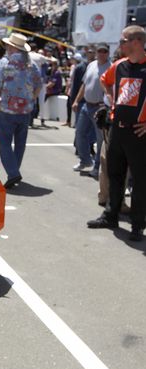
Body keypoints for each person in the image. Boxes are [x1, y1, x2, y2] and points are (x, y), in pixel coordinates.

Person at [87, 25, 146, 242]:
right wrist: (112, 99)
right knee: (114, 175)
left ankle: (138, 225)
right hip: (117, 130)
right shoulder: (119, 66)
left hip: (139, 133)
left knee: (140, 181)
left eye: (123, 41)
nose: (119, 45)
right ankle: (110, 215)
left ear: (136, 42)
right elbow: (105, 81)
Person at [0, 33, 42, 189]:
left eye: (8, 46)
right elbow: (38, 85)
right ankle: (14, 171)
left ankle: (13, 173)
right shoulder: (31, 64)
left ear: (12, 47)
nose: (6, 48)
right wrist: (31, 100)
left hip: (8, 109)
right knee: (20, 143)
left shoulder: (5, 63)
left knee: (5, 144)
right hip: (25, 110)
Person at [72, 43, 111, 175]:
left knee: (100, 140)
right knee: (79, 134)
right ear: (96, 52)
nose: (101, 53)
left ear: (108, 53)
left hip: (100, 107)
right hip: (86, 105)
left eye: (104, 51)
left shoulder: (111, 68)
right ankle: (85, 161)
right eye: (99, 51)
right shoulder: (91, 65)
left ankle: (97, 167)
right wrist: (77, 100)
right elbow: (84, 85)